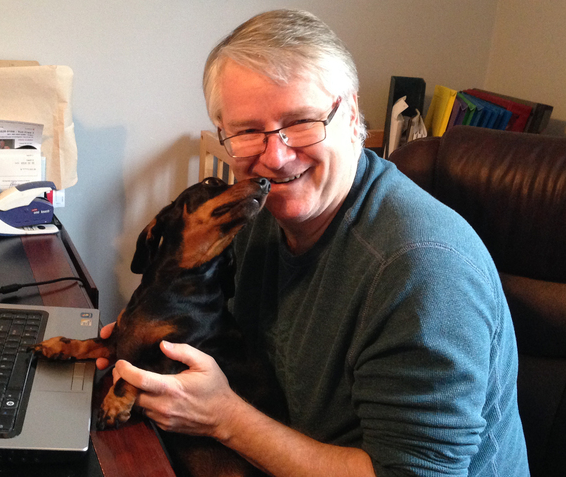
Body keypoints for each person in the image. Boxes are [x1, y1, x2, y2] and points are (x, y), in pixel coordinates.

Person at [97, 9, 530, 476]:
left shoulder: (423, 271)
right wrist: (147, 339)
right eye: (247, 131)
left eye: (301, 121)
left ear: (351, 113)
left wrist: (224, 418)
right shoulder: (262, 219)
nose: (276, 157)